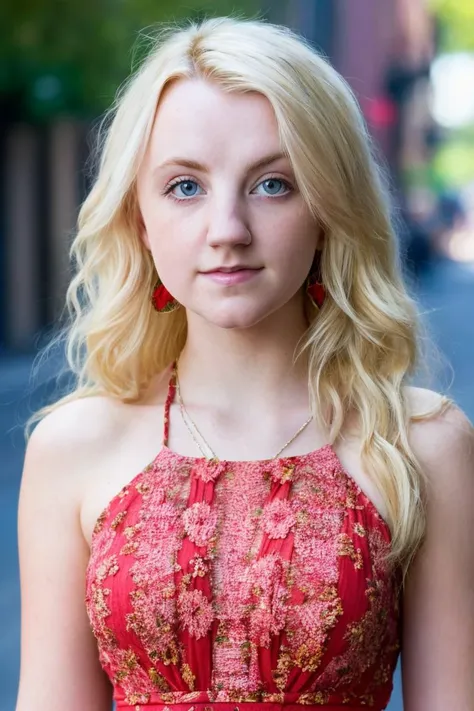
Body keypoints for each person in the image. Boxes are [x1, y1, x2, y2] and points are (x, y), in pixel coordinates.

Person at [15, 16, 474, 711]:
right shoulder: (72, 446)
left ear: (327, 208)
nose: (227, 229)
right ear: (139, 218)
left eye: (272, 185)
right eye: (185, 187)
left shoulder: (424, 446)